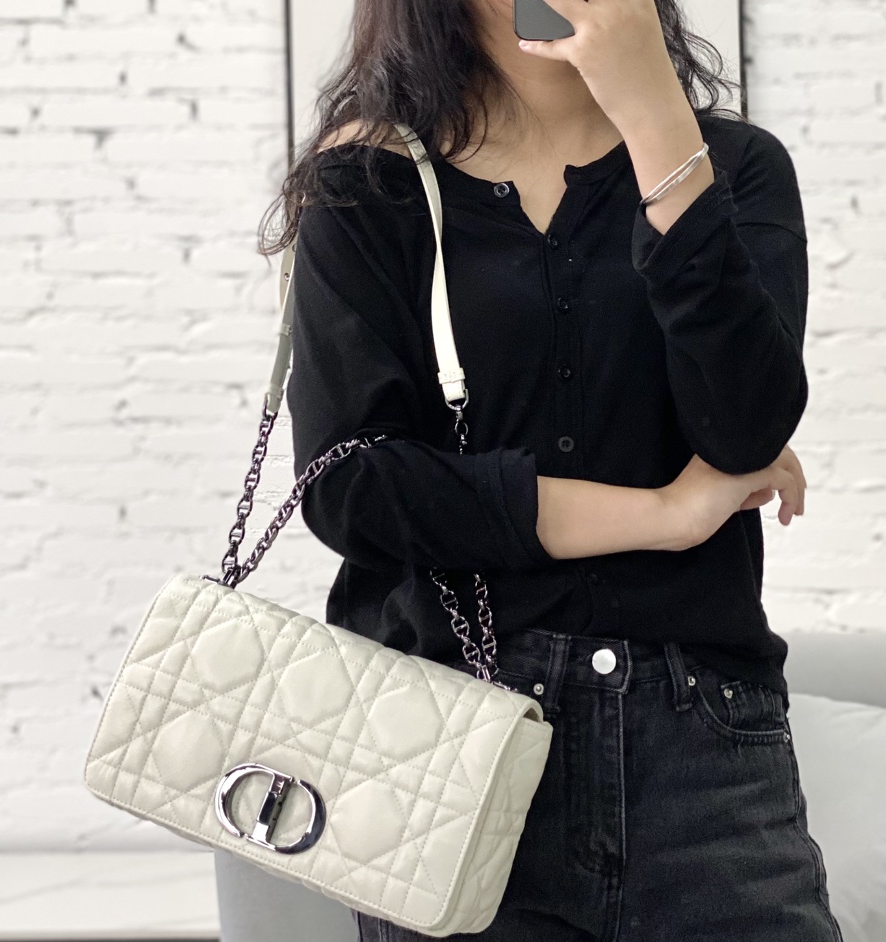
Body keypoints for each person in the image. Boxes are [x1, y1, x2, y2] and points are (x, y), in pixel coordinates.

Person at [257, 0, 843, 939]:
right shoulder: (369, 184)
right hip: (444, 738)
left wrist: (655, 117)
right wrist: (666, 513)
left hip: (704, 736)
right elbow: (351, 485)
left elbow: (745, 426)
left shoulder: (735, 167)